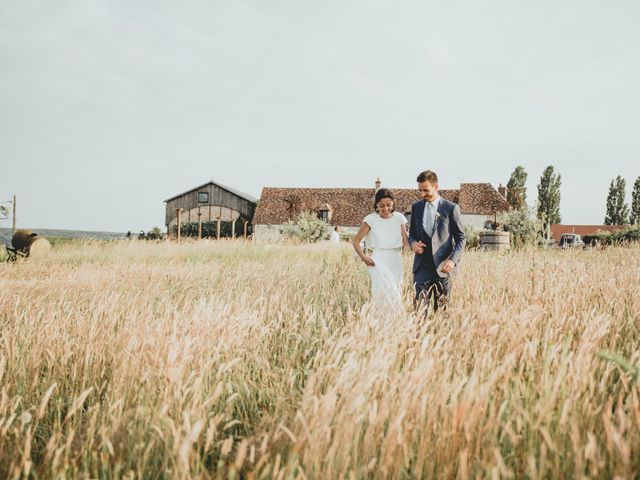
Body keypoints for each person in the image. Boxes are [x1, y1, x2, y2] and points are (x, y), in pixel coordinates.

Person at [408, 170, 465, 313]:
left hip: (443, 267)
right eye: (420, 190)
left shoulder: (451, 208)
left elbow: (461, 238)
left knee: (442, 312)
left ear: (436, 187)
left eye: (425, 190)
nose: (422, 194)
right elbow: (412, 234)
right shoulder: (416, 207)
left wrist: (452, 260)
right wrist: (413, 244)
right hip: (421, 267)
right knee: (420, 311)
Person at [353, 188, 410, 305]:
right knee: (380, 293)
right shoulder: (370, 219)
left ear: (393, 203)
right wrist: (364, 258)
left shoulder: (399, 218)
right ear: (376, 205)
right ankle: (379, 321)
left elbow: (406, 243)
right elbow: (356, 242)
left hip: (395, 259)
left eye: (388, 205)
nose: (385, 209)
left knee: (396, 292)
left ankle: (396, 322)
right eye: (381, 205)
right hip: (378, 259)